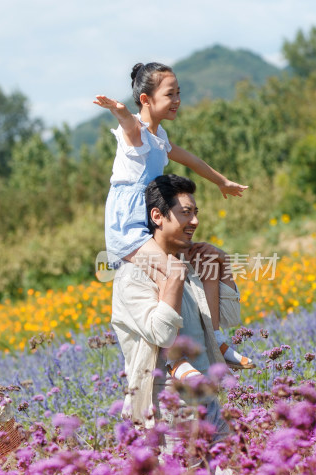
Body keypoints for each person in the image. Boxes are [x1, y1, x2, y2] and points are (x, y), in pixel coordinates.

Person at [94, 62, 253, 370]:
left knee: (209, 258)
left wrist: (221, 181)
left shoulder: (159, 136)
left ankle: (216, 336)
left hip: (151, 222)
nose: (178, 100)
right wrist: (118, 109)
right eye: (170, 94)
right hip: (128, 229)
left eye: (179, 92)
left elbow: (190, 159)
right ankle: (174, 359)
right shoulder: (136, 134)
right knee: (173, 272)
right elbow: (129, 124)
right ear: (146, 100)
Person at [111, 175, 235, 445]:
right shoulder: (133, 276)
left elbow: (219, 324)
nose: (195, 221)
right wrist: (173, 279)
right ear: (157, 216)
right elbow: (163, 335)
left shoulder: (185, 264)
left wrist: (219, 267)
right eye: (186, 213)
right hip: (170, 409)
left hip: (208, 399)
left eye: (196, 212)